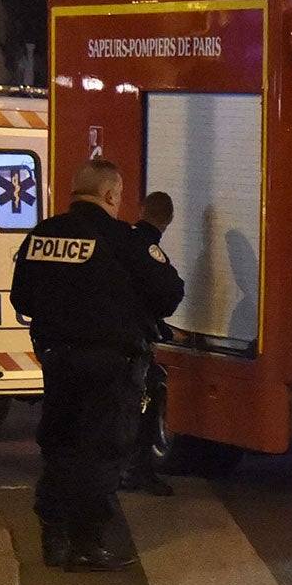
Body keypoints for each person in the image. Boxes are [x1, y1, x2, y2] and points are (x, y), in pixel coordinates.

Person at [11, 159, 185, 571]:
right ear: (110, 194)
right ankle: (88, 543)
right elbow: (169, 293)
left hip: (58, 361)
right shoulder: (124, 240)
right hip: (111, 364)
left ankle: (53, 538)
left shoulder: (42, 235)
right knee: (101, 452)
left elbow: (22, 299)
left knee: (59, 446)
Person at [120, 191, 175, 497]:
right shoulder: (151, 249)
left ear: (140, 210)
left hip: (111, 339)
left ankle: (117, 470)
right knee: (144, 407)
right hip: (134, 344)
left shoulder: (119, 240)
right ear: (168, 220)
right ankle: (137, 471)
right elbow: (169, 292)